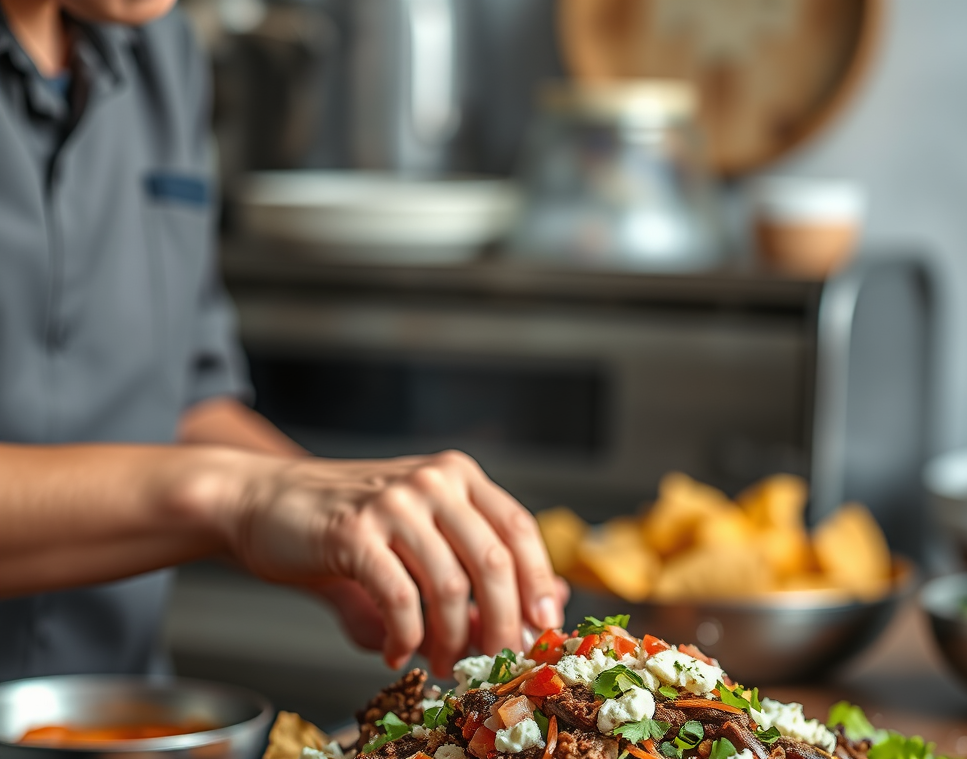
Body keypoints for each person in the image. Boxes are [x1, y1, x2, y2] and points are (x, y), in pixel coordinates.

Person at [0, 0, 565, 683]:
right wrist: (237, 499)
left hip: (112, 736)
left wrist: (361, 549)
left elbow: (181, 405)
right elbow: (223, 487)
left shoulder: (162, 53)